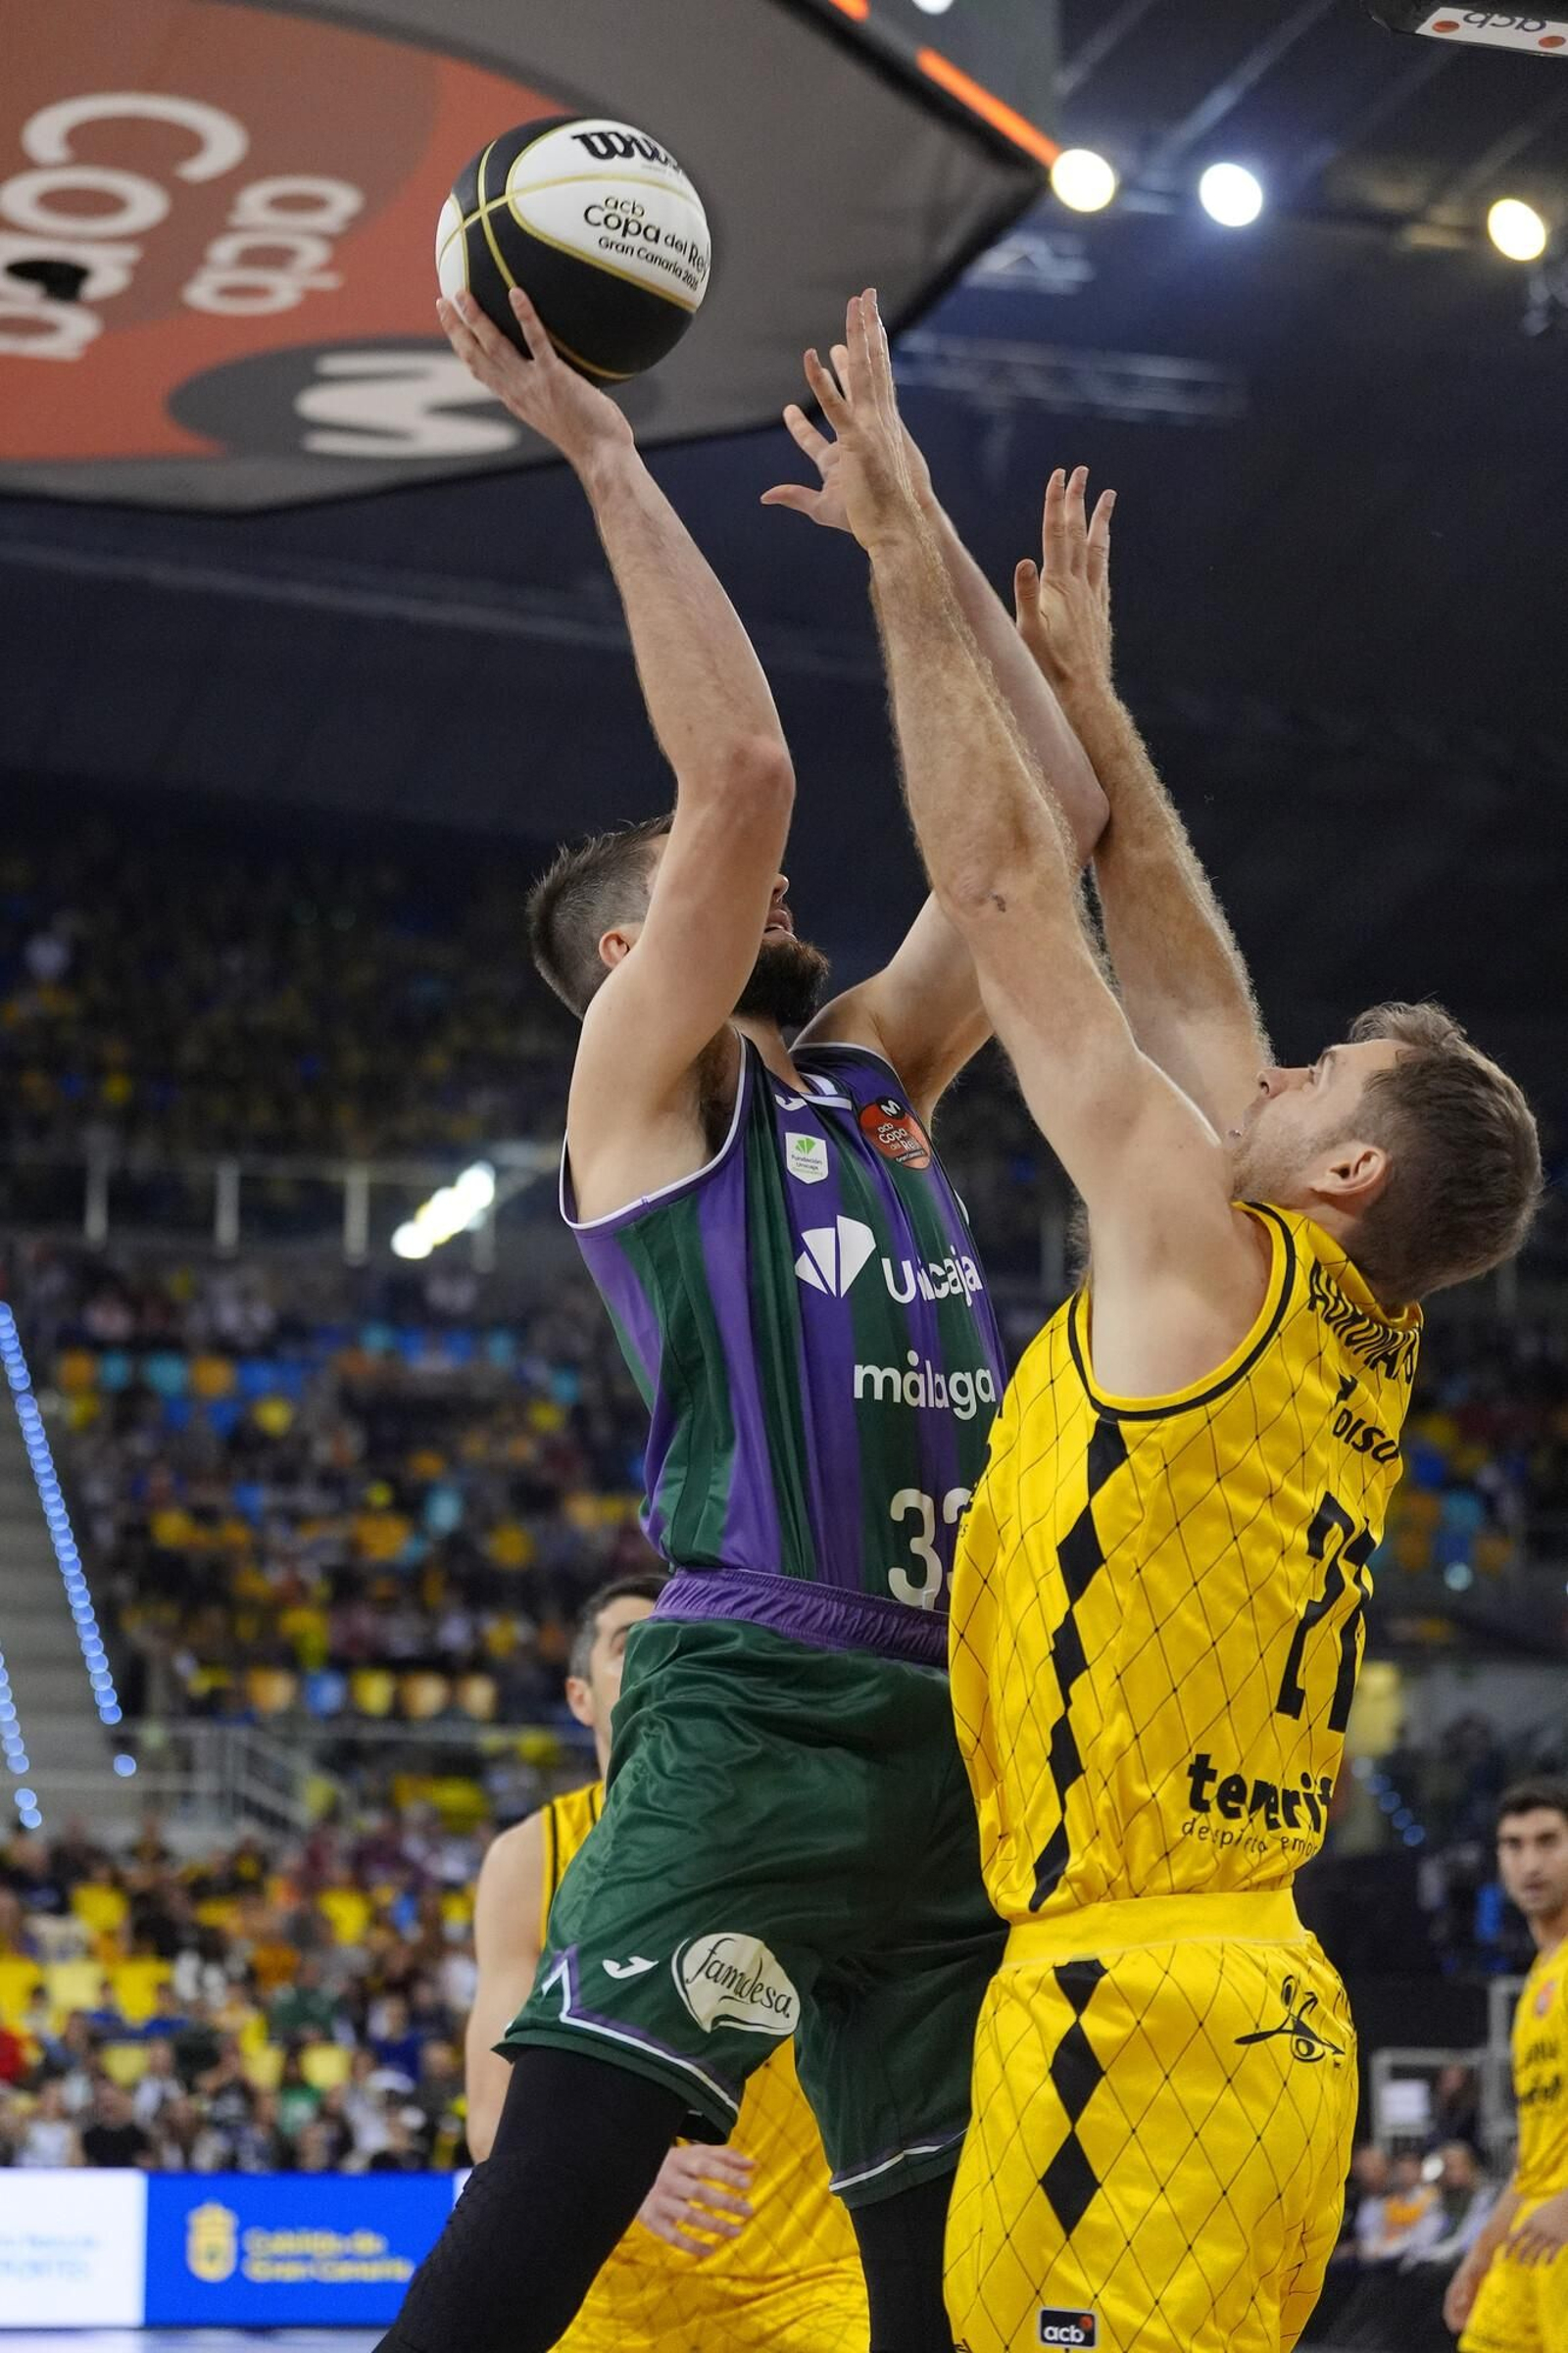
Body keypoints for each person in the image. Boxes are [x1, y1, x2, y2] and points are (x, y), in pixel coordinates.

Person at [802, 291, 1542, 2353]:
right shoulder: (1308, 1289)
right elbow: (1182, 963)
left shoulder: (1205, 1260)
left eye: (1310, 1084)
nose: (1270, 1069)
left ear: (1343, 1176)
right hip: (1145, 1985)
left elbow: (1013, 899)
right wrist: (1093, 706)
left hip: (1169, 2009)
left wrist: (895, 552)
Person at [374, 282, 1104, 2353]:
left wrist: (923, 549)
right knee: (545, 2219)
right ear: (635, 949)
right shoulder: (644, 1091)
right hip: (752, 1705)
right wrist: (609, 453)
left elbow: (1037, 848)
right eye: (732, 909)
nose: (785, 913)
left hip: (954, 1730)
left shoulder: (870, 1078)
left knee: (944, 2281)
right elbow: (744, 772)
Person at [466, 1575, 867, 2351]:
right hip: (608, 2289)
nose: (661, 1650)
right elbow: (491, 2120)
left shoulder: (813, 1826)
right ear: (580, 1696)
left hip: (811, 2285)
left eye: (680, 1635)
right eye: (629, 1641)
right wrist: (619, 2174)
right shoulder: (529, 1858)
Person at [1445, 1778, 1568, 2353]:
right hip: (1531, 2235)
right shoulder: (1540, 1980)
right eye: (1514, 1845)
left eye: (1548, 1841)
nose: (1530, 1862)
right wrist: (1484, 2244)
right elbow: (1535, 2150)